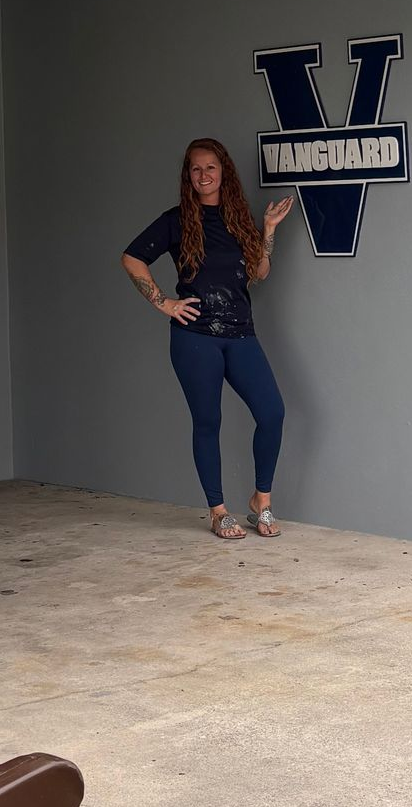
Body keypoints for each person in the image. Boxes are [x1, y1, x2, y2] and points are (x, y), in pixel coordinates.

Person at [121, 138, 294, 539]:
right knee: (208, 420)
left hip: (240, 333)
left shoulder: (237, 218)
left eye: (210, 168)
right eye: (196, 169)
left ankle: (260, 500)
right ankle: (217, 510)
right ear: (189, 175)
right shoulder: (176, 219)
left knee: (272, 413)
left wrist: (267, 230)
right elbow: (132, 257)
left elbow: (260, 272)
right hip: (195, 336)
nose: (203, 175)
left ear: (223, 171)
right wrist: (164, 302)